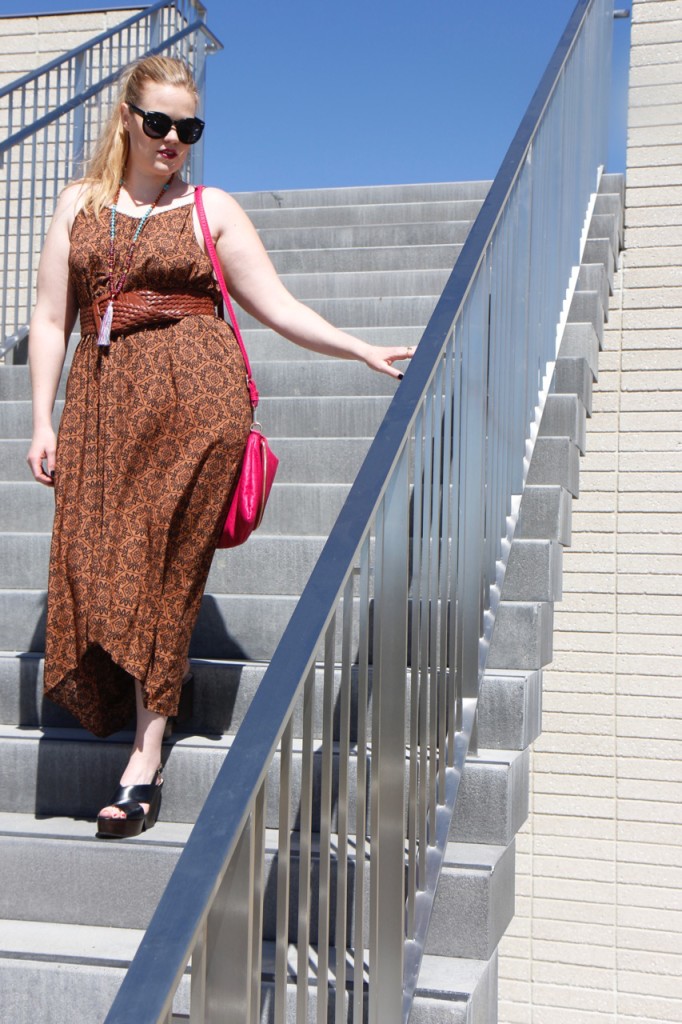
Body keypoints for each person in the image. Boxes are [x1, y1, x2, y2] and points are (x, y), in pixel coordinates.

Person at [26, 55, 413, 839]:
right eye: (160, 123)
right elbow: (46, 319)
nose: (174, 140)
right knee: (95, 560)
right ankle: (154, 684)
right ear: (127, 117)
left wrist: (357, 348)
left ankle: (144, 756)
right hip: (103, 405)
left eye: (190, 129)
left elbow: (274, 304)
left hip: (199, 401)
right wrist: (42, 420)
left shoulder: (211, 207)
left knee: (168, 572)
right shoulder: (77, 204)